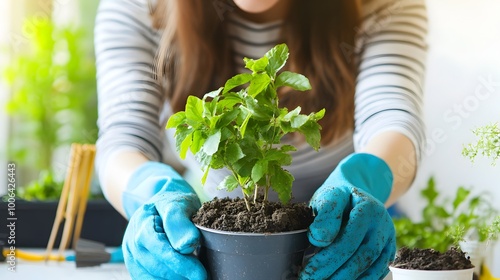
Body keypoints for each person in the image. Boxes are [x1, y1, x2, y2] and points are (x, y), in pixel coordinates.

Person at [94, 0, 427, 278]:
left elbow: (391, 116)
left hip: (355, 221)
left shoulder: (382, 4)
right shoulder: (142, 6)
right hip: (223, 236)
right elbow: (124, 136)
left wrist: (366, 180)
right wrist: (151, 192)